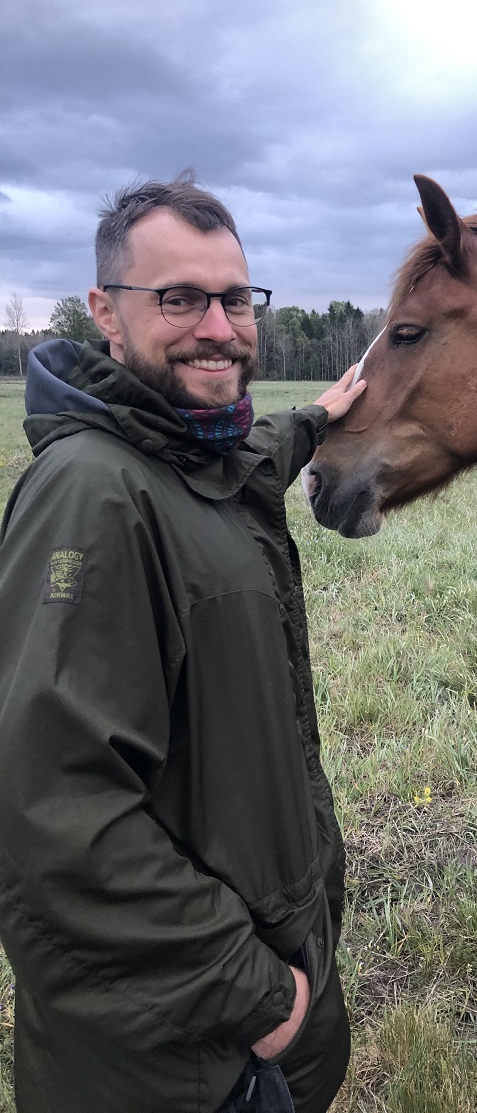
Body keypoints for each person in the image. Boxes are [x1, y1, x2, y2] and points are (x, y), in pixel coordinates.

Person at [0, 174, 366, 1113]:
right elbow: (50, 818)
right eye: (179, 299)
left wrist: (320, 418)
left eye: (235, 299)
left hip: (229, 1041)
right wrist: (258, 997)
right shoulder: (92, 494)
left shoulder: (186, 453)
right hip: (185, 1065)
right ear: (104, 314)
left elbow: (242, 467)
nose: (218, 327)